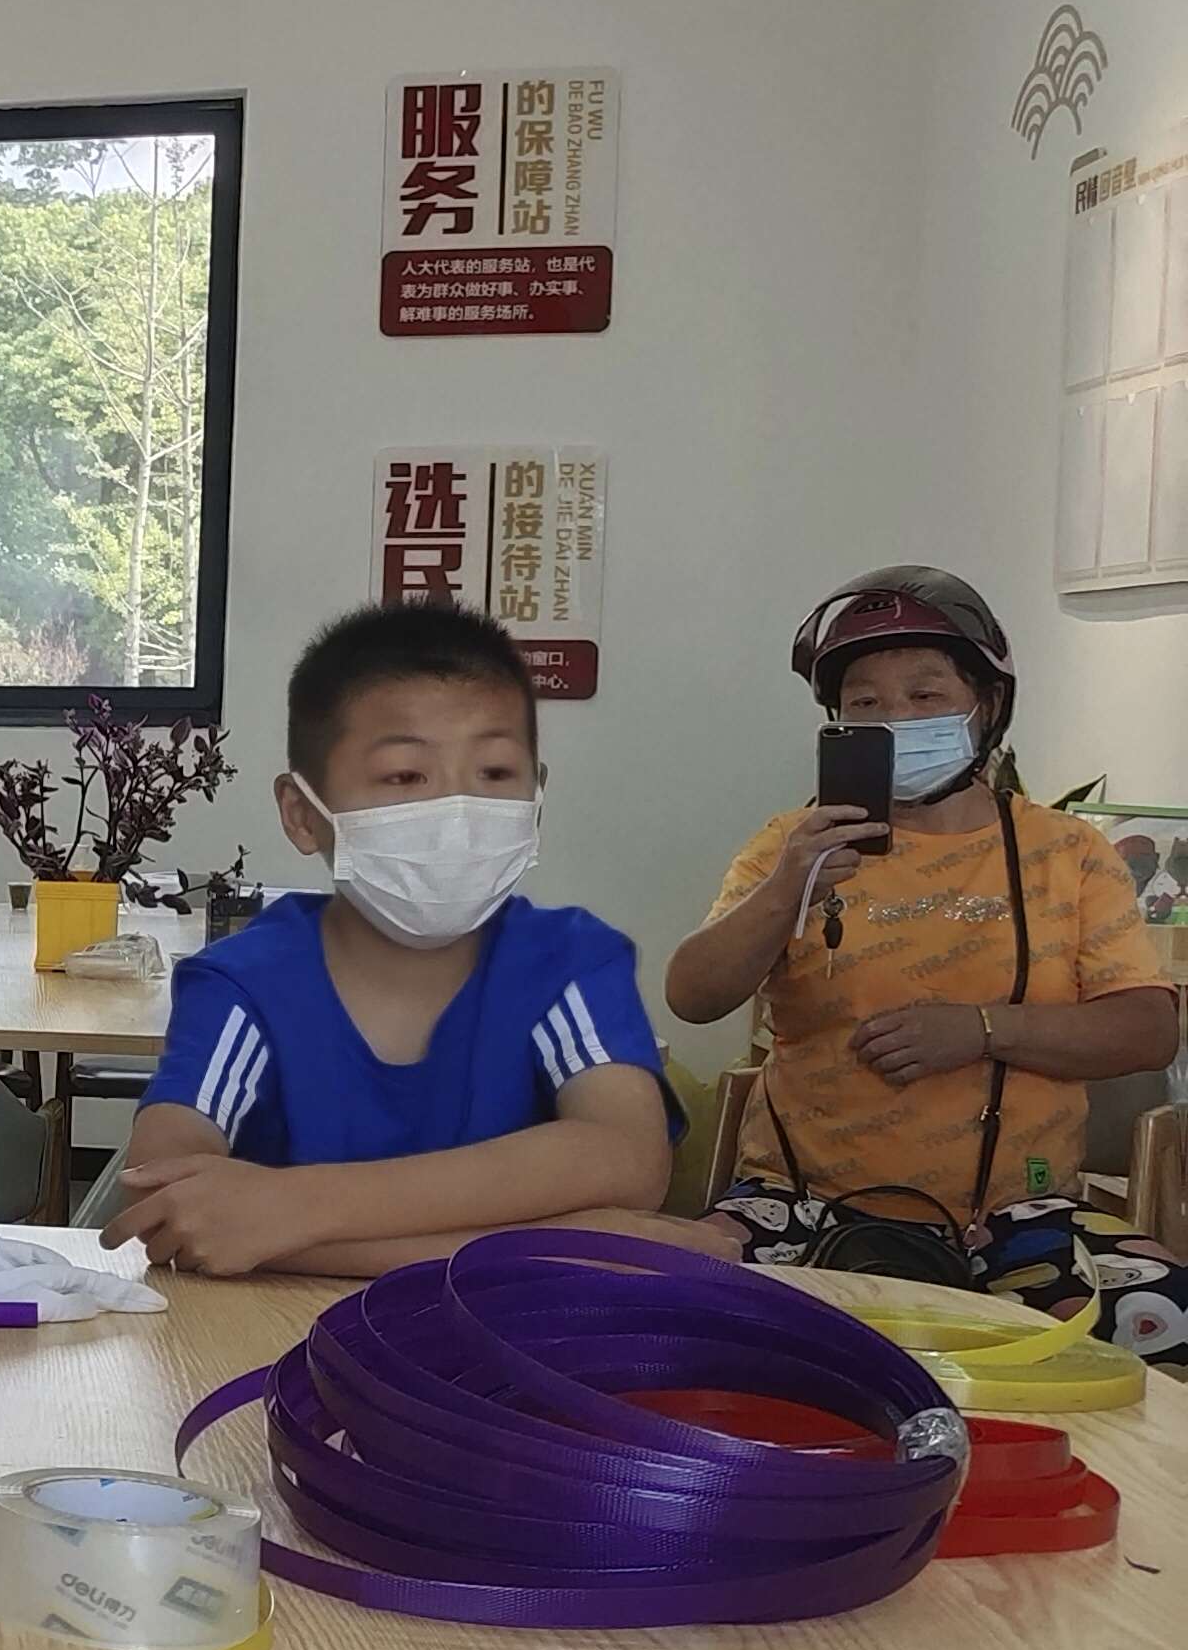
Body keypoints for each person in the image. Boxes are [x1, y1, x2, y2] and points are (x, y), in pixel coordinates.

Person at [664, 566, 1184, 1340]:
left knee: (1164, 1321)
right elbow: (692, 996)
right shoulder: (790, 844)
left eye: (925, 694)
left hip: (1017, 1217)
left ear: (988, 706)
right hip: (802, 1206)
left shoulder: (1067, 852)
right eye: (866, 703)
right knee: (680, 1317)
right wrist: (785, 889)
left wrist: (981, 1030)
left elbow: (1148, 1031)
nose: (896, 719)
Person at [116, 601, 680, 1279]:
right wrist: (557, 1246)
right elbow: (162, 1198)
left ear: (537, 795)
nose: (458, 813)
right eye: (406, 776)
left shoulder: (570, 961)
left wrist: (289, 1210)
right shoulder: (247, 982)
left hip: (506, 1333)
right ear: (302, 814)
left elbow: (627, 1157)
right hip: (276, 1336)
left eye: (496, 773)